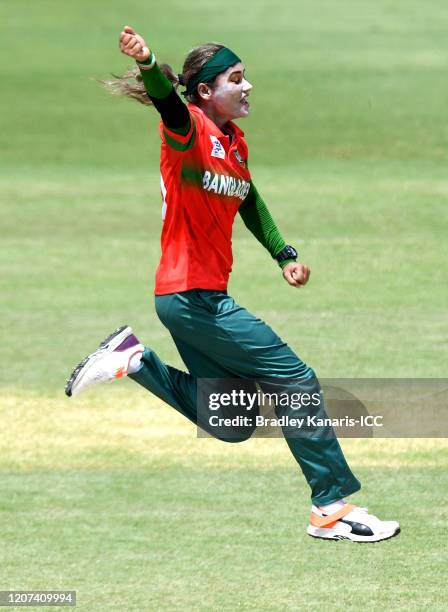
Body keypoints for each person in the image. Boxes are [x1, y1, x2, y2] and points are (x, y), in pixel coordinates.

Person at [65, 26, 400, 542]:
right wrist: (151, 62)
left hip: (198, 297)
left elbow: (248, 198)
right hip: (189, 294)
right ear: (205, 91)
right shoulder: (188, 129)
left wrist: (283, 253)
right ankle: (331, 508)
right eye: (236, 79)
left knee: (230, 420)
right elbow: (166, 104)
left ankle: (133, 360)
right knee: (296, 381)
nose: (248, 87)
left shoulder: (234, 143)